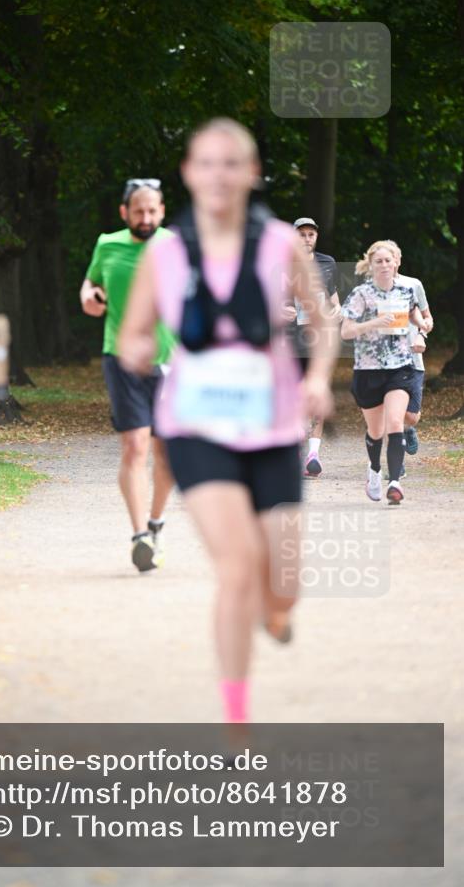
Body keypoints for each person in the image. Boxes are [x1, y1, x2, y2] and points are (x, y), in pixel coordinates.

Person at [118, 119, 336, 725]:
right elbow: (134, 335)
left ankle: (278, 608)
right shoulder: (166, 252)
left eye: (232, 163)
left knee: (282, 579)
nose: (218, 174)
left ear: (251, 173)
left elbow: (323, 324)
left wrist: (316, 379)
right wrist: (136, 352)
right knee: (237, 568)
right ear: (189, 173)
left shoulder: (279, 244)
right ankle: (236, 719)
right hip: (195, 427)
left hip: (271, 426)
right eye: (206, 163)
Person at [80, 180, 175, 572]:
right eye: (138, 211)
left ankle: (155, 524)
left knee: (167, 455)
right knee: (135, 446)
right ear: (125, 212)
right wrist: (87, 295)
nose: (146, 218)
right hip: (121, 358)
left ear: (162, 211)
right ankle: (139, 536)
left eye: (152, 211)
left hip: (171, 361)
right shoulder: (108, 244)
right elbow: (91, 283)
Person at [340, 240, 428, 505]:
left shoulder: (406, 291)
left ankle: (395, 483)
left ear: (395, 262)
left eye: (388, 260)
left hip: (400, 367)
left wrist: (421, 330)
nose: (384, 265)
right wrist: (375, 322)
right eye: (378, 261)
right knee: (375, 431)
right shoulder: (360, 294)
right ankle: (375, 471)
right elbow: (346, 331)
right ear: (371, 264)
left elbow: (416, 316)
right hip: (368, 370)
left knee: (394, 423)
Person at [286, 218, 340, 477]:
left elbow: (334, 298)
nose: (307, 239)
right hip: (289, 338)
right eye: (302, 234)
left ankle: (313, 454)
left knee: (317, 392)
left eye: (311, 234)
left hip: (317, 337)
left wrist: (336, 311)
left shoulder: (327, 263)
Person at [385, 241, 433, 474]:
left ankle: (408, 429)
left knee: (410, 416)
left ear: (398, 260)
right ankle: (397, 464)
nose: (388, 262)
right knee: (392, 413)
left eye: (392, 257)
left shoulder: (413, 285)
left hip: (413, 360)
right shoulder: (371, 288)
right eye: (383, 258)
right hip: (384, 362)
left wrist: (422, 335)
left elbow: (427, 318)